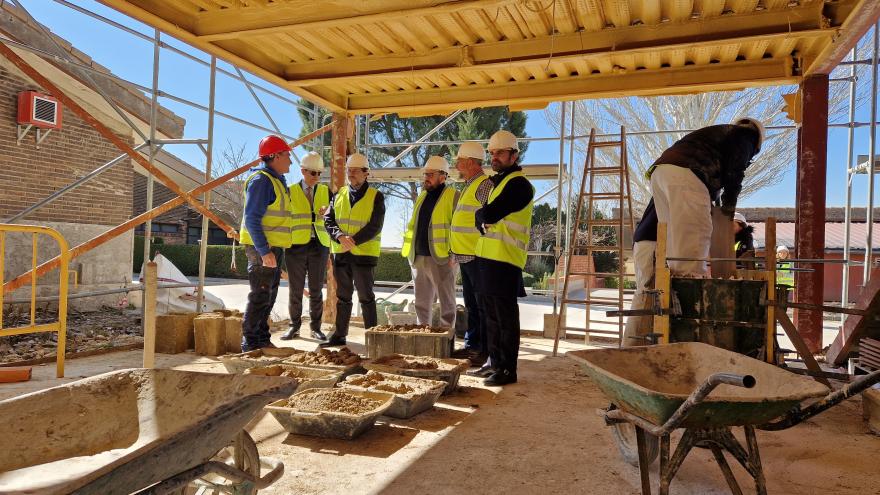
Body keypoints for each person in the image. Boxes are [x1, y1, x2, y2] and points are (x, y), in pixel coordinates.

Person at [647, 118, 764, 277]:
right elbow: (735, 172)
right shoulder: (746, 136)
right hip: (687, 171)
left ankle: (674, 278)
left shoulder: (719, 136)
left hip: (660, 172)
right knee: (696, 229)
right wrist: (729, 207)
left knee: (673, 231)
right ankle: (691, 282)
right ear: (758, 141)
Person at [473, 130, 534, 386]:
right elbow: (484, 216)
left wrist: (483, 215)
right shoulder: (499, 184)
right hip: (489, 258)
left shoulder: (519, 184)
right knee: (492, 317)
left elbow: (489, 214)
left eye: (499, 152)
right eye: (492, 153)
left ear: (514, 154)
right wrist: (482, 215)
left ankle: (508, 370)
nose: (494, 157)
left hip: (505, 260)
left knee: (505, 318)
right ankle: (496, 364)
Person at [323, 153, 385, 347]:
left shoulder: (376, 196)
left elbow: (375, 225)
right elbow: (328, 219)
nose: (351, 174)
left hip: (364, 255)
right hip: (341, 253)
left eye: (356, 171)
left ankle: (373, 337)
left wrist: (354, 240)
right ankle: (339, 335)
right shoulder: (339, 194)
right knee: (343, 296)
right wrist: (340, 236)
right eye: (349, 171)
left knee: (366, 297)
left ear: (366, 173)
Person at [239, 135, 294, 351]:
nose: (290, 160)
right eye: (287, 155)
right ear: (276, 156)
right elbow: (252, 218)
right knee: (261, 295)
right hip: (262, 247)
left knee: (268, 296)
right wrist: (264, 251)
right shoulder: (262, 181)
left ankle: (261, 340)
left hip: (271, 248)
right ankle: (251, 343)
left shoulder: (276, 181)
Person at [401, 155, 459, 328]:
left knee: (447, 304)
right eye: (425, 174)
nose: (426, 177)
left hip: (442, 258)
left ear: (443, 176)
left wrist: (454, 254)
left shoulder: (453, 196)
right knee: (421, 303)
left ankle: (445, 339)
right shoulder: (422, 196)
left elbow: (458, 229)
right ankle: (423, 335)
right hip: (418, 257)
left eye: (430, 174)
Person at [449, 142, 494, 367]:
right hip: (466, 255)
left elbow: (490, 219)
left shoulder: (483, 185)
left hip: (477, 255)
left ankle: (483, 350)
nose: (456, 164)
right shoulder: (469, 184)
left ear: (469, 162)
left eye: (459, 160)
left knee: (481, 305)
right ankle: (472, 345)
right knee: (471, 304)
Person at [281, 151, 330, 342]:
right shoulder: (290, 191)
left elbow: (335, 217)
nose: (316, 177)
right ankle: (294, 326)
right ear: (302, 171)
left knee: (317, 289)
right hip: (295, 245)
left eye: (319, 173)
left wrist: (328, 212)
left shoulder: (326, 191)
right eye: (312, 173)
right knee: (295, 289)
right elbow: (283, 217)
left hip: (319, 245)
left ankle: (315, 328)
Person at [623, 198, 657, 347]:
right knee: (646, 293)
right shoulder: (682, 185)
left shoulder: (666, 182)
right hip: (649, 240)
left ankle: (633, 344)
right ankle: (630, 346)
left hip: (645, 239)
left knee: (646, 292)